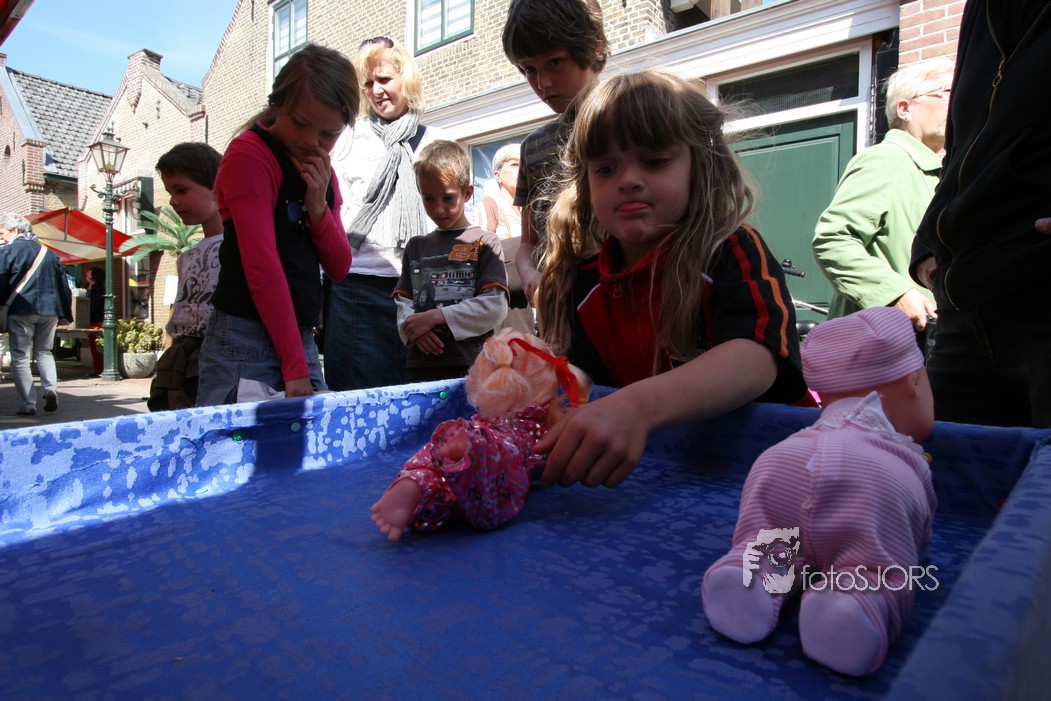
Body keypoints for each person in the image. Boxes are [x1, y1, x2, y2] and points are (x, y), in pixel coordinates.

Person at [534, 71, 807, 488]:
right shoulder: (582, 285)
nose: (628, 180)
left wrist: (637, 408)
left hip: (771, 469)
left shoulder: (730, 250)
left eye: (655, 161)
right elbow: (591, 387)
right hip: (660, 476)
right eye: (605, 168)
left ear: (700, 164)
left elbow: (756, 358)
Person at [702, 306, 936, 677]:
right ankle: (852, 603)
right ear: (914, 381)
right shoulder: (901, 460)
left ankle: (751, 573)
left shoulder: (783, 448)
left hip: (782, 466)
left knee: (772, 542)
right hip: (874, 480)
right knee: (875, 570)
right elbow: (918, 532)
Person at [910, 0, 1051, 429]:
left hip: (1038, 284)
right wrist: (928, 244)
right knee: (942, 465)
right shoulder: (983, 10)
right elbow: (964, 149)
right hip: (965, 307)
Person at [196, 44, 358, 406]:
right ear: (278, 104)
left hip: (297, 338)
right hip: (244, 339)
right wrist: (295, 366)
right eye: (300, 123)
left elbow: (339, 265)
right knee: (236, 442)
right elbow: (262, 266)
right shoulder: (249, 155)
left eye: (328, 134)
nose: (311, 142)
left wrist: (317, 208)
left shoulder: (321, 170)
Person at [371, 328, 590, 542]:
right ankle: (463, 454)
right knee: (482, 471)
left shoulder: (495, 425)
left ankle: (421, 481)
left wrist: (471, 437)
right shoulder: (535, 427)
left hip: (480, 440)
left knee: (445, 475)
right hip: (489, 458)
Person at [325, 37, 448, 391]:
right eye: (368, 83)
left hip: (421, 288)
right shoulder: (348, 138)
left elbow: (454, 218)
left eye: (384, 79)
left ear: (406, 79)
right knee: (355, 397)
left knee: (419, 393)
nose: (376, 90)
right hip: (358, 287)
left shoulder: (437, 140)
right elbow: (332, 214)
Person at [812, 58, 953, 336]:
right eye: (948, 92)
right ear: (905, 109)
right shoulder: (886, 159)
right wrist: (895, 294)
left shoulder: (939, 172)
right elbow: (833, 240)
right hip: (888, 345)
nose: (959, 101)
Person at [501, 0, 609, 307]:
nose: (542, 83)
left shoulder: (633, 117)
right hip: (563, 310)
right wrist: (528, 272)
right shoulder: (533, 146)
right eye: (529, 69)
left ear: (593, 46)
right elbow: (528, 243)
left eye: (555, 62)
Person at [394, 140, 509, 382]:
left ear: (467, 193)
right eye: (428, 198)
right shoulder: (416, 247)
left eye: (447, 198)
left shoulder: (485, 242)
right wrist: (414, 331)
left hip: (471, 368)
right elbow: (404, 303)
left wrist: (436, 317)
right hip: (419, 367)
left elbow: (495, 305)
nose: (438, 209)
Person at [147, 142, 223, 411]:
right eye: (170, 192)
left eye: (181, 190)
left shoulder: (239, 248)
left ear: (217, 188)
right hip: (184, 367)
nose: (172, 201)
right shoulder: (186, 257)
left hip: (219, 362)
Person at [0, 213, 73, 416]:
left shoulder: (7, 252)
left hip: (20, 310)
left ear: (15, 230)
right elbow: (64, 286)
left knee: (21, 357)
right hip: (50, 311)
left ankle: (27, 404)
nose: (2, 237)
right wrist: (66, 313)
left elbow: (1, 281)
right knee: (44, 352)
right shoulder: (49, 253)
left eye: (3, 233)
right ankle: (50, 389)